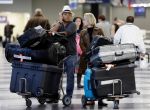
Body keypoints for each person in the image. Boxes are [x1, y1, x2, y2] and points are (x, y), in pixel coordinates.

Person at [79, 13, 108, 107]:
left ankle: (100, 99)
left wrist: (96, 52)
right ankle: (91, 98)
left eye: (84, 19)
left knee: (99, 78)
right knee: (89, 78)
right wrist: (87, 53)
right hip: (87, 58)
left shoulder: (98, 30)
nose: (83, 21)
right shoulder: (83, 32)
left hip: (97, 58)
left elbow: (103, 42)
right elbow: (81, 44)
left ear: (89, 20)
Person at [49, 5, 77, 100]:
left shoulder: (73, 25)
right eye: (65, 14)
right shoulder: (59, 24)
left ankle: (68, 95)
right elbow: (50, 32)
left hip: (71, 54)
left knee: (70, 75)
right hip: (60, 54)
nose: (68, 16)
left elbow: (65, 34)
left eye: (69, 14)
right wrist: (58, 23)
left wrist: (55, 32)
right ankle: (54, 94)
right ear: (62, 15)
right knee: (57, 74)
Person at [73, 17, 84, 89]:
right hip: (73, 51)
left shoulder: (82, 31)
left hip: (81, 51)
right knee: (73, 68)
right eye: (76, 21)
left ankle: (78, 83)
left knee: (79, 68)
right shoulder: (72, 30)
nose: (78, 22)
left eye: (79, 21)